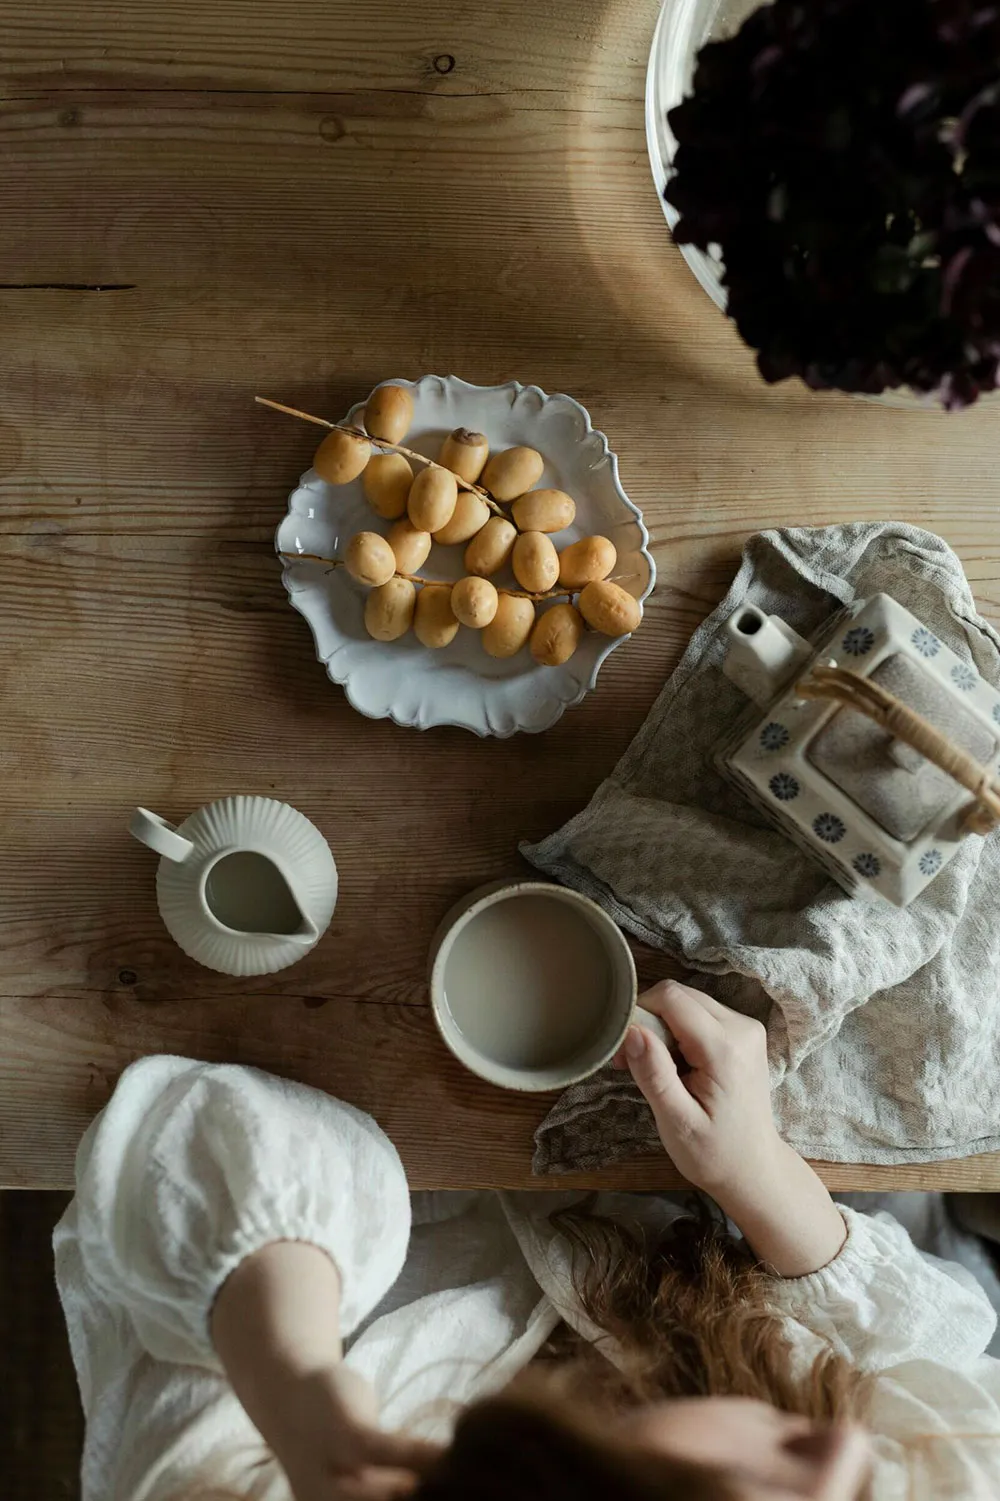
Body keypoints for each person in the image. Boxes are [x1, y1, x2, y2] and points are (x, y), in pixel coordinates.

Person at [54, 981, 1000, 1501]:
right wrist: (757, 1172)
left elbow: (181, 1135)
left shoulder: (278, 1477)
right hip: (745, 1217)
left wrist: (290, 1373)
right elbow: (941, 1346)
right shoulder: (891, 1467)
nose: (843, 1457)